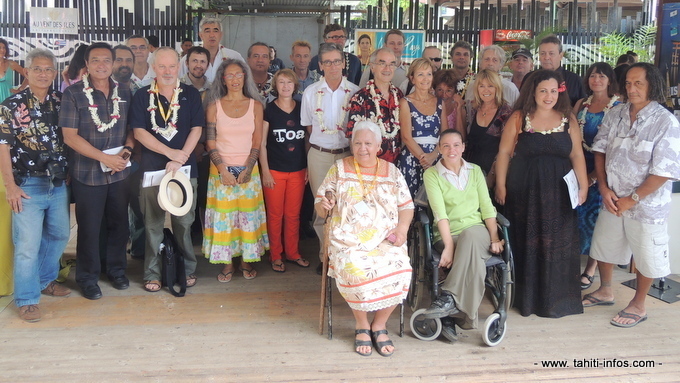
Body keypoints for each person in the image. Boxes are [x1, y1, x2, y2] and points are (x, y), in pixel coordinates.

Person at [584, 63, 680, 328]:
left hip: (645, 206)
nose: (631, 88)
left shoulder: (665, 122)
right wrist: (603, 188)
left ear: (653, 85)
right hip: (612, 198)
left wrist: (632, 199)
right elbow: (600, 150)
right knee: (604, 246)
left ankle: (639, 303)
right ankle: (605, 290)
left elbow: (664, 172)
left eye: (638, 83)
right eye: (628, 83)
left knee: (646, 255)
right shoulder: (615, 114)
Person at [314, 120, 414, 357]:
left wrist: (401, 229)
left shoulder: (392, 171)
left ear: (379, 145)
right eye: (357, 143)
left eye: (368, 143)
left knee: (401, 267)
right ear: (351, 144)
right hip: (348, 239)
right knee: (355, 267)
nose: (363, 148)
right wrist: (324, 204)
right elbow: (320, 205)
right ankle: (361, 323)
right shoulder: (339, 169)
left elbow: (406, 206)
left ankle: (379, 324)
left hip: (385, 239)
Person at [495, 69, 588, 318]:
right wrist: (501, 185)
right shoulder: (519, 117)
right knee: (528, 241)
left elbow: (577, 154)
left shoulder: (568, 118)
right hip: (525, 190)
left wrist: (584, 185)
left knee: (558, 243)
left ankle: (557, 299)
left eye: (553, 91)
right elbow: (504, 153)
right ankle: (528, 300)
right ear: (532, 93)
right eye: (542, 91)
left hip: (559, 194)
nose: (548, 96)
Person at [0, 49, 71, 322]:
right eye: (37, 69)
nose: (43, 74)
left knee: (59, 235)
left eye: (48, 69)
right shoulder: (11, 104)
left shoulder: (61, 101)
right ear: (27, 72)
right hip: (27, 183)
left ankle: (44, 279)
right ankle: (27, 299)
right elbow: (3, 147)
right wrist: (11, 186)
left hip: (57, 182)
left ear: (54, 74)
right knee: (27, 245)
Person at [61, 42, 134, 300]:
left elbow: (131, 130)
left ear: (113, 64)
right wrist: (104, 158)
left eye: (106, 60)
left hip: (120, 173)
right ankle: (88, 277)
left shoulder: (125, 92)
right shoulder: (74, 94)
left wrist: (125, 154)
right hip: (87, 173)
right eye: (95, 61)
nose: (101, 65)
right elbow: (70, 137)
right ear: (87, 64)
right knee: (89, 228)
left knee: (119, 224)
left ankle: (116, 270)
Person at [130, 47, 204, 292]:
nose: (168, 71)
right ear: (154, 68)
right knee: (152, 223)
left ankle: (187, 269)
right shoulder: (141, 96)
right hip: (153, 170)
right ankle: (152, 273)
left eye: (172, 66)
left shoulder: (190, 94)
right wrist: (169, 153)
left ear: (179, 67)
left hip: (184, 169)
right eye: (162, 66)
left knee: (184, 222)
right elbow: (139, 132)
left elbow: (197, 128)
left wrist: (180, 158)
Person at [419, 130, 503, 333]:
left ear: (463, 147)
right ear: (439, 148)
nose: (451, 150)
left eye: (456, 145)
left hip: (478, 232)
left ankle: (448, 297)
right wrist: (448, 245)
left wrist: (494, 237)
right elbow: (440, 214)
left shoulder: (475, 171)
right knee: (474, 258)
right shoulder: (432, 174)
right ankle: (466, 317)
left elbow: (487, 207)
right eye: (446, 146)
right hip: (449, 234)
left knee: (471, 234)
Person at [202, 59, 269, 281]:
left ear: (245, 77)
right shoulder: (214, 106)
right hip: (221, 172)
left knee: (247, 219)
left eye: (238, 75)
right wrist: (223, 170)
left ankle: (246, 262)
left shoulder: (256, 106)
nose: (234, 80)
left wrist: (249, 168)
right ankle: (228, 264)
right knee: (225, 220)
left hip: (248, 172)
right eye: (229, 75)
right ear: (223, 79)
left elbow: (257, 141)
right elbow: (210, 143)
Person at [301, 43, 359, 271]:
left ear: (344, 63)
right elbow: (308, 129)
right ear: (320, 65)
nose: (333, 66)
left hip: (347, 155)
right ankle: (325, 257)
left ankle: (344, 257)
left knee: (346, 206)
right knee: (322, 207)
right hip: (320, 155)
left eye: (337, 61)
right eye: (328, 62)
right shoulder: (310, 92)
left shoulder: (354, 91)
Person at [571, 63, 620, 291]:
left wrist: (594, 177)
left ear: (610, 79)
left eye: (601, 76)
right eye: (593, 76)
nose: (596, 80)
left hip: (605, 172)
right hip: (578, 167)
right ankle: (571, 264)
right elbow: (570, 136)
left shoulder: (619, 107)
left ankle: (590, 269)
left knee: (596, 223)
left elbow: (617, 147)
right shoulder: (581, 104)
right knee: (575, 219)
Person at [259, 69, 309, 272]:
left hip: (297, 170)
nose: (286, 86)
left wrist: (307, 166)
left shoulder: (301, 109)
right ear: (275, 86)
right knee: (275, 215)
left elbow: (306, 138)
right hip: (275, 171)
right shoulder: (268, 110)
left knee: (293, 215)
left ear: (295, 85)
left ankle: (293, 253)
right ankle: (275, 255)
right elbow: (261, 143)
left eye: (289, 82)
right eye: (281, 82)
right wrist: (266, 171)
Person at [397, 58, 448, 197]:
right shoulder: (405, 102)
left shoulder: (439, 102)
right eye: (420, 74)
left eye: (429, 74)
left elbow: (445, 134)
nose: (425, 78)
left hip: (436, 157)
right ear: (412, 79)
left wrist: (434, 155)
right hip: (412, 158)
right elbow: (406, 137)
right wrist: (424, 160)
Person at [347, 48, 404, 164]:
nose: (387, 69)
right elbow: (353, 139)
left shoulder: (399, 95)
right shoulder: (360, 98)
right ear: (372, 67)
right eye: (382, 63)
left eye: (391, 64)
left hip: (397, 167)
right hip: (370, 167)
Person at [462, 69, 513, 184]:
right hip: (469, 170)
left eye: (490, 86)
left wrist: (494, 175)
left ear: (497, 88)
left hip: (493, 173)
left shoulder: (506, 112)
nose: (486, 90)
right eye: (481, 86)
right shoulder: (472, 108)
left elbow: (507, 149)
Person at [179, 17, 245, 83]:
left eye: (215, 31)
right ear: (200, 35)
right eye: (207, 31)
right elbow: (179, 83)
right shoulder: (188, 59)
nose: (212, 35)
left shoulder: (234, 57)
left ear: (221, 34)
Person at [525, 35, 586, 106]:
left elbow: (582, 108)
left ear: (561, 55)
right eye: (543, 53)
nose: (546, 57)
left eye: (551, 54)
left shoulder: (574, 80)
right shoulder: (529, 78)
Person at [434, 70, 464, 137]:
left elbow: (462, 138)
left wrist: (458, 110)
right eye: (440, 90)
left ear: (455, 91)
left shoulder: (459, 108)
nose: (444, 95)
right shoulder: (430, 107)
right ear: (434, 90)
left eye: (448, 91)